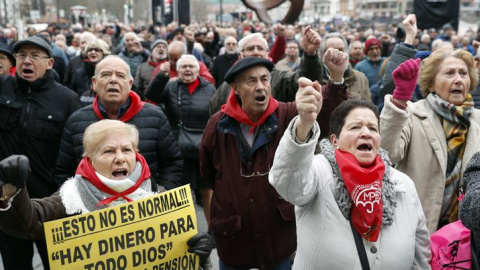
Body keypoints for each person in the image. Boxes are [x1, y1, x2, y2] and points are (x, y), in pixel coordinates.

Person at [200, 51, 348, 269]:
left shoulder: (287, 114)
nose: (260, 86)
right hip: (233, 238)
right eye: (251, 81)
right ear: (236, 88)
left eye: (264, 79)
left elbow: (324, 114)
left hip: (278, 236)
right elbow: (209, 173)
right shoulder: (217, 125)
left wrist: (335, 79)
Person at [0, 120, 214, 269]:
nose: (120, 158)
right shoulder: (71, 198)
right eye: (109, 151)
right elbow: (30, 222)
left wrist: (197, 251)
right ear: (89, 159)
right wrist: (11, 191)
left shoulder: (159, 196)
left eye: (127, 150)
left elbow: (181, 253)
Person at [269, 99, 431, 269]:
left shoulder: (403, 183)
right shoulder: (317, 170)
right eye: (355, 127)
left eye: (373, 128)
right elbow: (287, 184)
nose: (366, 133)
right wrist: (303, 125)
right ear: (335, 140)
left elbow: (420, 256)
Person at [0, 35, 81, 270]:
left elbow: (75, 153)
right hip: (8, 200)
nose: (28, 60)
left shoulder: (67, 99)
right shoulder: (2, 87)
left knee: (58, 266)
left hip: (51, 203)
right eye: (22, 55)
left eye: (35, 56)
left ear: (50, 63)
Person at [380, 48, 480, 233]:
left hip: (469, 237)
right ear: (431, 84)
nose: (458, 79)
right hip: (420, 230)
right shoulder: (412, 114)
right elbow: (386, 153)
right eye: (449, 73)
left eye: (463, 73)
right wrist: (399, 101)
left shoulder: (478, 121)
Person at [56, 55, 183, 193]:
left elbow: (172, 164)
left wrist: (159, 195)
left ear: (130, 84)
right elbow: (64, 172)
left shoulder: (156, 116)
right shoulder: (76, 121)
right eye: (106, 75)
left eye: (120, 76)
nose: (113, 80)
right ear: (94, 83)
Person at [145, 54, 216, 221]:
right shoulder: (171, 86)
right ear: (177, 71)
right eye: (184, 67)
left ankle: (213, 231)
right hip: (178, 149)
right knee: (183, 192)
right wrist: (161, 76)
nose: (188, 70)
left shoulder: (210, 88)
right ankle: (189, 233)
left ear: (198, 70)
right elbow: (152, 95)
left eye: (191, 67)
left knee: (207, 190)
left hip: (202, 149)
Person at [209, 26, 323, 114]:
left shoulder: (280, 79)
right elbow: (214, 117)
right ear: (240, 56)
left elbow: (307, 81)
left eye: (260, 48)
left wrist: (310, 55)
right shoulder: (227, 87)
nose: (256, 52)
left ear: (268, 55)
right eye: (250, 48)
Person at [320, 32, 370, 101]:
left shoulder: (360, 78)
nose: (337, 54)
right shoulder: (315, 80)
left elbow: (368, 107)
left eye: (341, 50)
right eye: (331, 51)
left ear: (347, 52)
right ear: (323, 55)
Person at [70, 39, 111, 107]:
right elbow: (73, 94)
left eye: (97, 50)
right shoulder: (79, 73)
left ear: (104, 53)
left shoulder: (110, 72)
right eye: (90, 50)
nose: (93, 52)